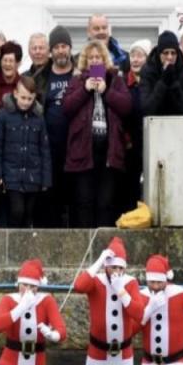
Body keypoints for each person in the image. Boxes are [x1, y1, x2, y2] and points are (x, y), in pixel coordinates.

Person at [70, 237, 143, 365]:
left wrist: (122, 292)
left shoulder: (130, 283)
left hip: (123, 353)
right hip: (98, 352)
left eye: (120, 267)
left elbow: (138, 312)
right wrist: (99, 261)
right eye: (112, 267)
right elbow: (79, 285)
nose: (116, 272)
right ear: (106, 267)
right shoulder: (97, 281)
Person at [62, 40, 132, 228]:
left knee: (105, 203)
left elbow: (126, 107)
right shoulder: (77, 81)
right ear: (85, 60)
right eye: (91, 57)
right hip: (83, 150)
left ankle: (103, 246)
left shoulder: (115, 80)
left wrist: (106, 90)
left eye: (98, 57)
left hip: (109, 151)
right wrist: (85, 89)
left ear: (104, 60)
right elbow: (67, 108)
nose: (94, 61)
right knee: (84, 202)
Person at [0, 76, 51, 228]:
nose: (26, 102)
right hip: (11, 174)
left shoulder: (39, 117)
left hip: (33, 175)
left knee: (29, 214)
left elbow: (44, 149)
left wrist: (46, 179)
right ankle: (12, 244)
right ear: (15, 93)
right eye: (23, 97)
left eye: (30, 99)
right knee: (16, 211)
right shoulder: (3, 115)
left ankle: (25, 248)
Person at [37, 26, 74, 227]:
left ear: (70, 48)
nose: (61, 50)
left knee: (77, 199)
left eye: (64, 46)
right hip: (49, 149)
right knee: (51, 200)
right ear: (51, 51)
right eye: (57, 46)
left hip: (76, 147)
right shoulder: (41, 76)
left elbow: (103, 73)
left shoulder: (82, 71)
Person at [120, 39, 150, 216]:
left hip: (149, 142)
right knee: (129, 189)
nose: (136, 60)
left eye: (140, 55)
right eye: (133, 55)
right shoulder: (122, 82)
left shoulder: (151, 82)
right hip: (129, 145)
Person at [139, 31, 183, 117]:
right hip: (155, 123)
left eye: (173, 53)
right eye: (166, 53)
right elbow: (147, 109)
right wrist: (163, 81)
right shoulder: (148, 70)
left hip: (178, 122)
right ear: (159, 53)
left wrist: (173, 81)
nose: (170, 57)